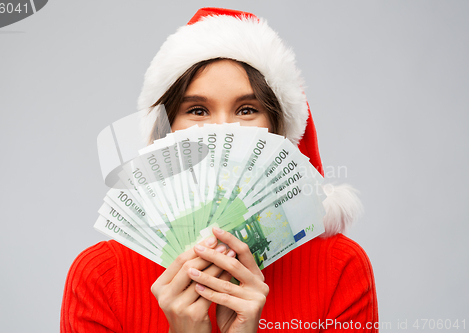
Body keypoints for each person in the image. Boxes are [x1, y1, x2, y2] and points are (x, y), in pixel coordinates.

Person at [61, 7, 378, 333]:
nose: (223, 132)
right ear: (164, 132)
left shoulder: (340, 268)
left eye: (246, 109)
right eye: (197, 110)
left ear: (278, 131)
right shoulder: (100, 276)